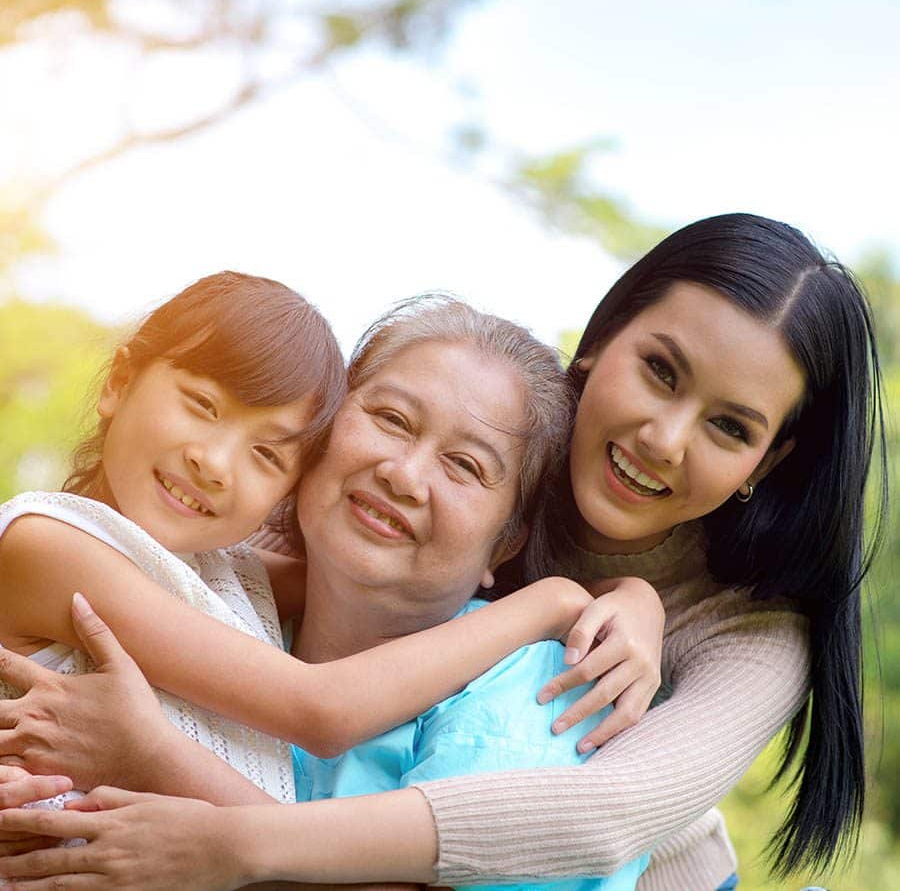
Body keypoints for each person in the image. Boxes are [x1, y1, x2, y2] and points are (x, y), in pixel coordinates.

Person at [0, 213, 886, 891]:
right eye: (660, 369)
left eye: (730, 426)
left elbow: (600, 817)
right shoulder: (319, 515)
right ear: (600, 341)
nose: (663, 435)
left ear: (764, 464)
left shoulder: (749, 632)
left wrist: (190, 796)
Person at [0, 280, 659, 817]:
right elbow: (319, 709)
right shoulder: (48, 545)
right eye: (201, 404)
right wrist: (551, 601)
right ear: (119, 383)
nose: (215, 463)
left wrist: (629, 594)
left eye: (266, 451)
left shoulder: (220, 574)